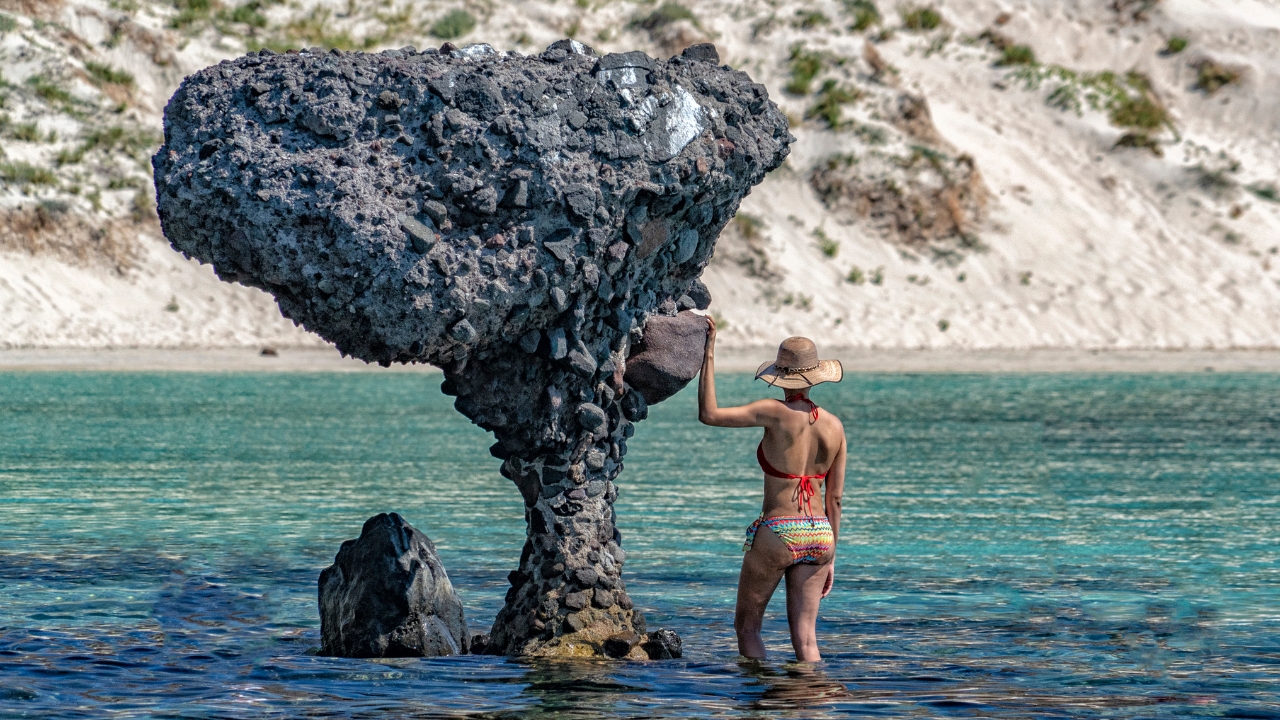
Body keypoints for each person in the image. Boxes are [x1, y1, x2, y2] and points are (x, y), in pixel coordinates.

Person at [697, 318, 846, 662]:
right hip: (821, 535)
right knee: (806, 640)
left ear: (781, 375)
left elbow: (710, 414)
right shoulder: (835, 426)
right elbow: (835, 499)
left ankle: (758, 702)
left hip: (780, 531)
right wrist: (832, 555)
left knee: (748, 628)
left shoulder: (774, 412)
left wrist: (709, 353)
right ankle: (814, 707)